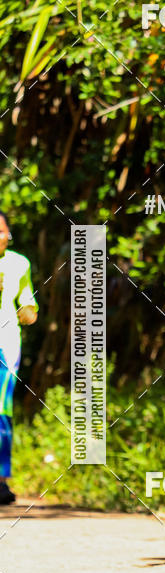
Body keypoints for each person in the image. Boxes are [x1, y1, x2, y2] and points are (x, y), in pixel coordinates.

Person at [0, 211, 38, 505]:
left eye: (2, 231)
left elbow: (28, 304)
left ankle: (1, 480)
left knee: (1, 409)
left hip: (6, 344)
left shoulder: (18, 263)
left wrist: (28, 312)